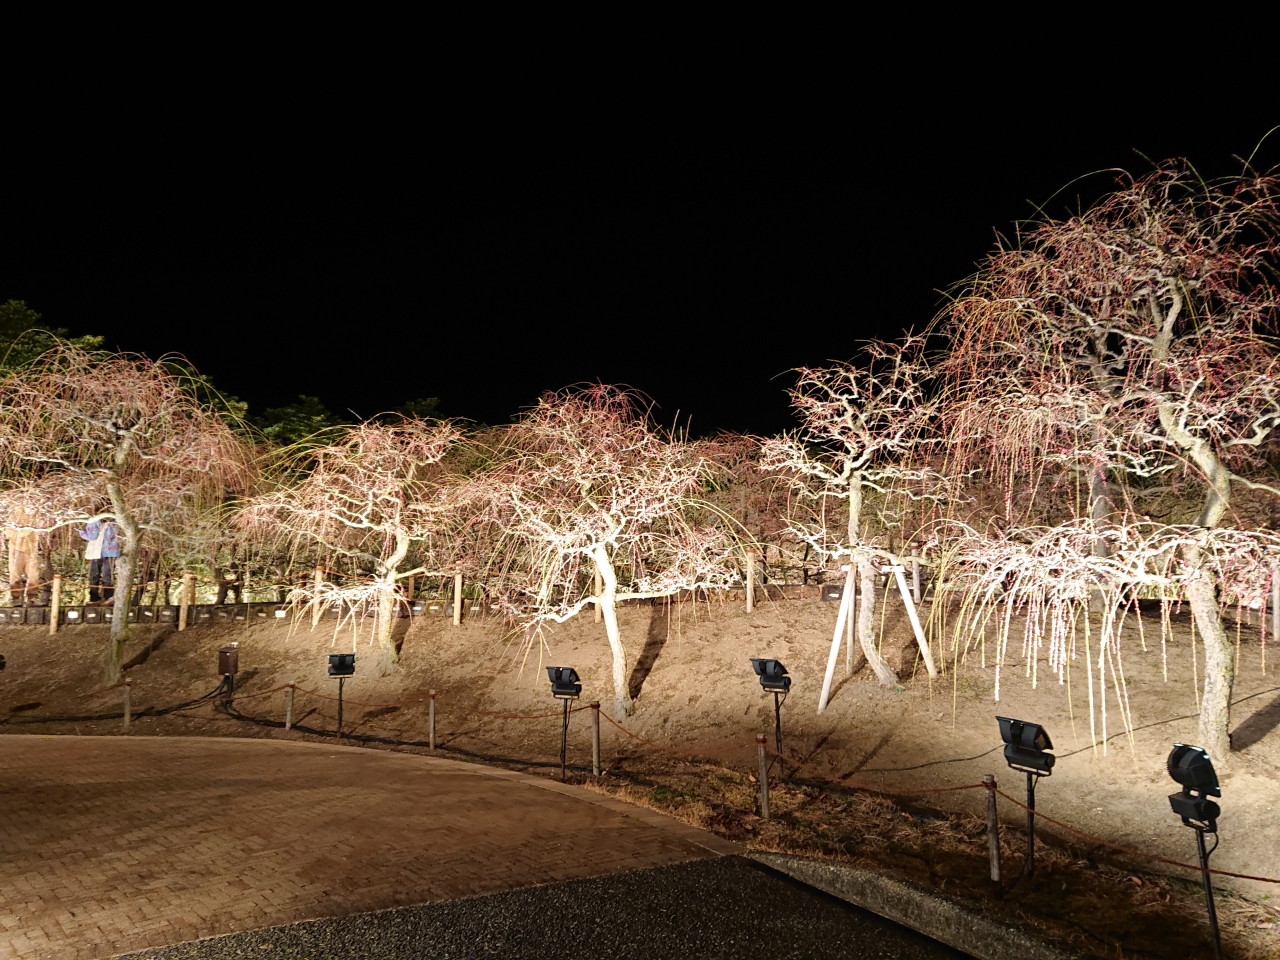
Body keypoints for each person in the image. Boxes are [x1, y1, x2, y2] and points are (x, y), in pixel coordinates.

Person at [3, 508, 42, 606]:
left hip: (31, 549)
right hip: (16, 549)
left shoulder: (35, 513)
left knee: (33, 575)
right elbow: (7, 531)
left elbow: (40, 529)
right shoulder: (13, 514)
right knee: (15, 574)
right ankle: (16, 598)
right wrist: (21, 533)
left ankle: (32, 597)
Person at [80, 519, 119, 603]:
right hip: (100, 551)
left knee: (106, 575)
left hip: (108, 551)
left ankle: (107, 598)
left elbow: (92, 536)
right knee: (96, 575)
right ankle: (96, 598)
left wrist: (82, 531)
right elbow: (91, 535)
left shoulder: (114, 521)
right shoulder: (95, 520)